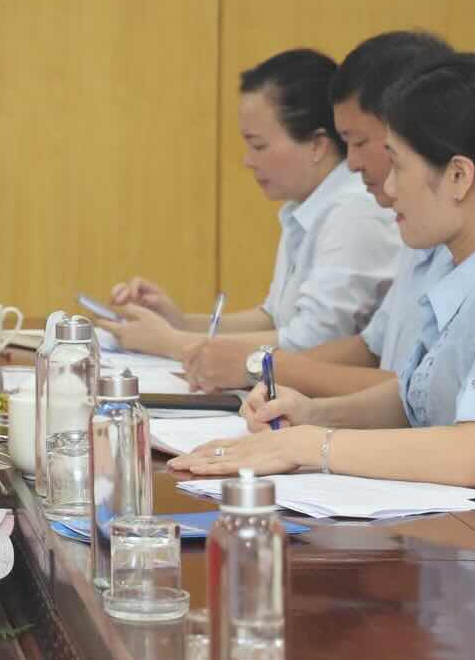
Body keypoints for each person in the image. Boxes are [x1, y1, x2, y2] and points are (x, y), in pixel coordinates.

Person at [171, 53, 475, 580]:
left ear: (459, 175)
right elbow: (420, 395)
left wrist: (309, 446)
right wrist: (313, 415)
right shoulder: (472, 265)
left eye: (398, 165)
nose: (387, 189)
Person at [183, 31, 451, 393]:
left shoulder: (361, 209)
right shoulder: (420, 233)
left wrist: (259, 368)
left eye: (360, 143)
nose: (352, 164)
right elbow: (371, 351)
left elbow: (412, 397)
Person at [102, 48, 401, 359]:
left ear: (317, 144)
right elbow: (274, 318)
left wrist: (172, 342)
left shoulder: (356, 209)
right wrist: (179, 323)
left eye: (258, 145)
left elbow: (313, 340)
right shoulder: (303, 207)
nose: (248, 161)